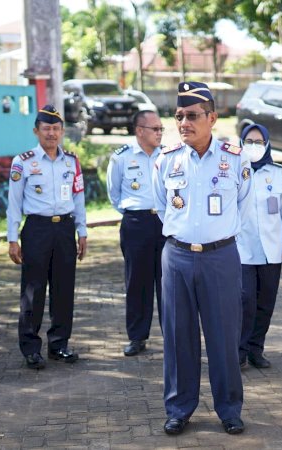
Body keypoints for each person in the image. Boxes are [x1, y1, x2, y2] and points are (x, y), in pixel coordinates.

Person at [153, 81, 252, 436]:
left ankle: (229, 409)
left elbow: (243, 203)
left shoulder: (236, 158)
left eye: (192, 116)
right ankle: (179, 407)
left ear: (212, 117)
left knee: (224, 336)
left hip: (220, 257)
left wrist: (213, 237)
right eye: (179, 115)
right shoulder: (166, 160)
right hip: (177, 258)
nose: (184, 123)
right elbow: (162, 209)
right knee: (178, 337)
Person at [7, 104, 88, 370]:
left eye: (55, 129)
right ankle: (31, 348)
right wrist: (12, 238)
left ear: (62, 131)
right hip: (37, 229)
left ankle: (59, 344)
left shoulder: (71, 161)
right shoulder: (24, 162)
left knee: (64, 289)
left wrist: (82, 232)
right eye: (46, 129)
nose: (51, 134)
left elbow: (78, 197)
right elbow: (14, 202)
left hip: (64, 229)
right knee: (34, 290)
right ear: (36, 131)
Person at [236, 123, 282, 369]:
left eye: (259, 142)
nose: (254, 146)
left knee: (265, 304)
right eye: (249, 141)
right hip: (241, 250)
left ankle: (256, 349)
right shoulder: (233, 171)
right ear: (241, 143)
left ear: (267, 144)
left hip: (271, 251)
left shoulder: (277, 174)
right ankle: (239, 351)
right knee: (245, 301)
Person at [107, 111, 166, 357]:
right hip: (136, 223)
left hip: (165, 223)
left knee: (168, 283)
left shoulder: (169, 156)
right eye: (155, 129)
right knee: (137, 282)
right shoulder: (121, 157)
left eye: (161, 128)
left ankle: (173, 336)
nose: (160, 133)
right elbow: (114, 194)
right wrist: (134, 213)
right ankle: (137, 337)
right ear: (140, 130)